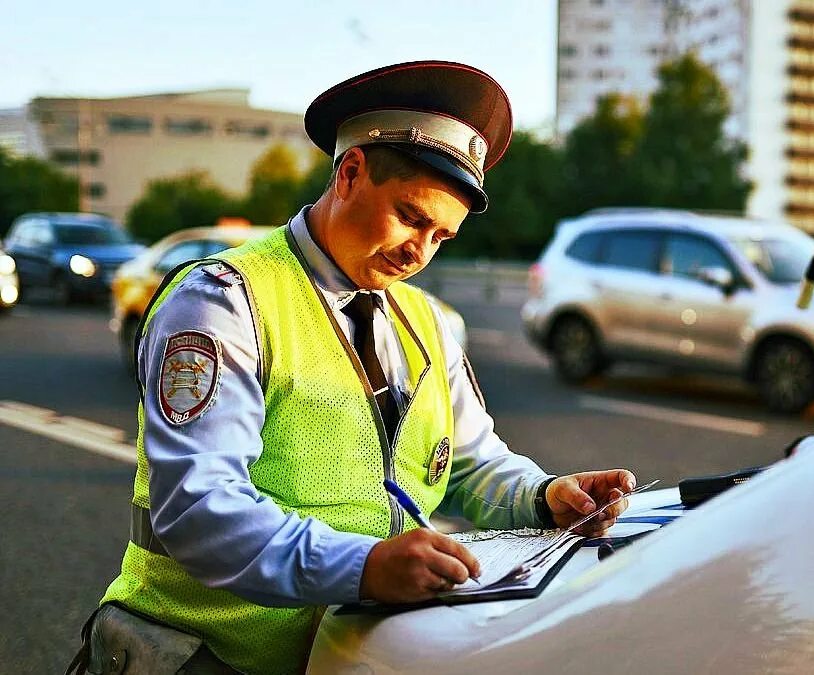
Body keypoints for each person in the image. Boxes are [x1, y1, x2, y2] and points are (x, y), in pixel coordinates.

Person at [72, 62, 636, 675]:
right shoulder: (222, 301)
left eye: (442, 236)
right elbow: (198, 507)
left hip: (344, 656)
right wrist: (366, 569)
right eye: (411, 217)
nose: (419, 251)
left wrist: (544, 495)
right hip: (202, 655)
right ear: (349, 173)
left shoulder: (426, 321)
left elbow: (473, 460)